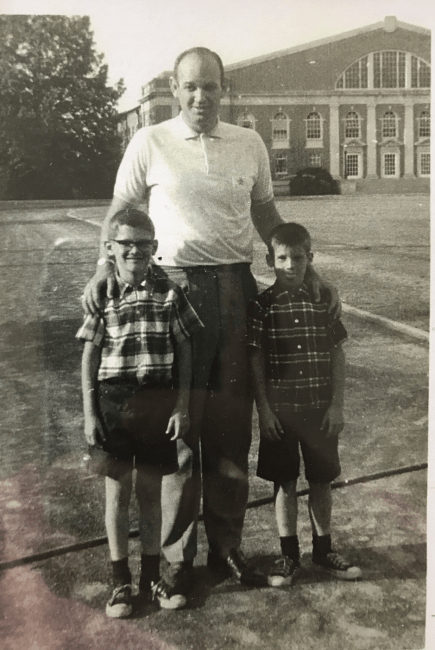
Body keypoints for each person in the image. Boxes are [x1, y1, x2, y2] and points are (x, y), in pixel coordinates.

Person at [82, 46, 340, 598]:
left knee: (228, 430)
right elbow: (122, 211)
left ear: (226, 90)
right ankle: (175, 560)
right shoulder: (149, 141)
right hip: (173, 289)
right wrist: (103, 267)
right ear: (175, 90)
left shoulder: (248, 142)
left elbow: (267, 215)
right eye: (191, 87)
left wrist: (306, 274)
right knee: (178, 429)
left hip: (236, 290)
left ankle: (227, 551)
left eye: (212, 87)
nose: (202, 97)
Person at [77, 207, 203, 617]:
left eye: (143, 245)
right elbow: (89, 356)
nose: (134, 252)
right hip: (114, 403)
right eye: (125, 244)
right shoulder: (103, 294)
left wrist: (182, 405)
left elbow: (185, 346)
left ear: (155, 248)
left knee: (150, 495)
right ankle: (120, 582)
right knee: (117, 494)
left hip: (157, 403)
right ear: (110, 249)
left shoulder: (169, 292)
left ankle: (151, 579)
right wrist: (90, 411)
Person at [246, 222, 362, 588]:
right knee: (284, 482)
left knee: (321, 480)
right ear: (269, 260)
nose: (291, 265)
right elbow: (255, 360)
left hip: (319, 410)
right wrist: (263, 409)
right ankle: (288, 555)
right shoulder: (262, 306)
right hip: (281, 414)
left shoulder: (322, 302)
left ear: (310, 259)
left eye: (298, 258)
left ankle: (324, 550)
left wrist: (337, 406)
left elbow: (337, 355)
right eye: (282, 258)